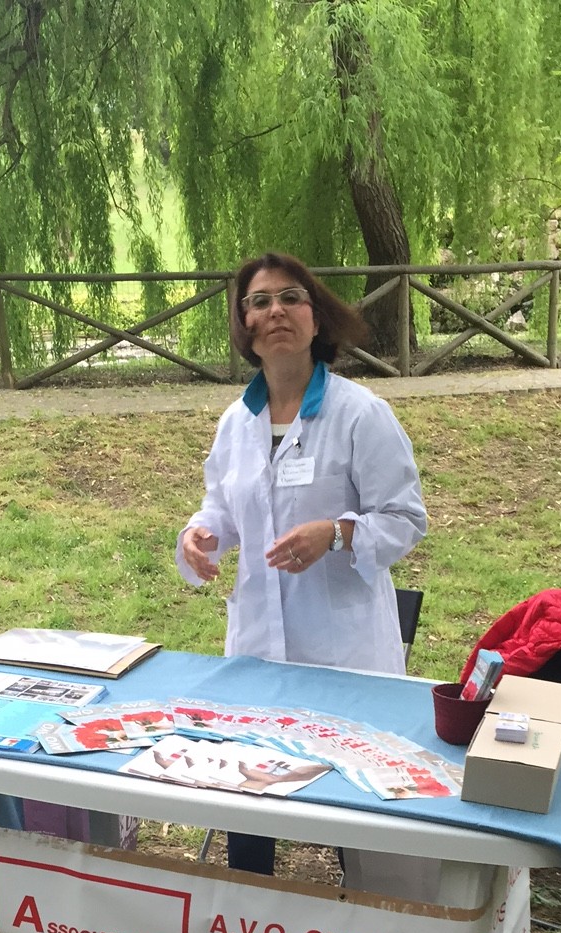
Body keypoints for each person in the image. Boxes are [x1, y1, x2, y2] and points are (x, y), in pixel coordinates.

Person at [177, 251, 428, 873]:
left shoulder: (360, 414)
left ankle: (367, 909)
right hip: (257, 648)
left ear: (317, 319)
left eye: (291, 297)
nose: (276, 311)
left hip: (341, 650)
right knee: (248, 793)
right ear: (245, 325)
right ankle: (246, 904)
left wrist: (337, 533)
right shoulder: (237, 422)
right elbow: (223, 505)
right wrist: (200, 535)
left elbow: (405, 519)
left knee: (352, 801)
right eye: (259, 302)